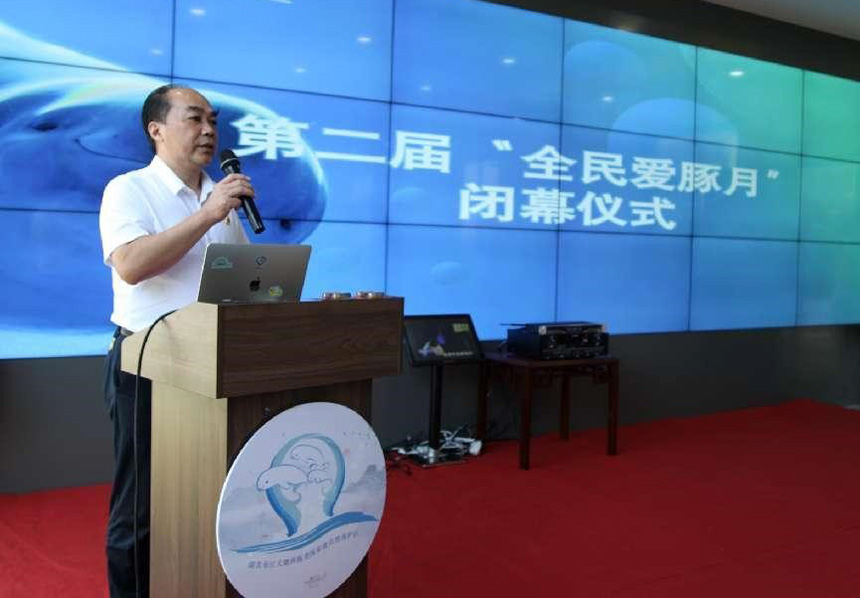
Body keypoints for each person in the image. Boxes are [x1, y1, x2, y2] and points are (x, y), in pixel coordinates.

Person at [98, 84, 255, 598]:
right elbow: (132, 264)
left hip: (212, 367)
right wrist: (207, 214)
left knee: (207, 497)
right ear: (157, 129)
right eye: (194, 119)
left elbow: (244, 284)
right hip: (147, 364)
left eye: (213, 120)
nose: (209, 130)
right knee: (141, 504)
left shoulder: (223, 200)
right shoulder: (129, 189)